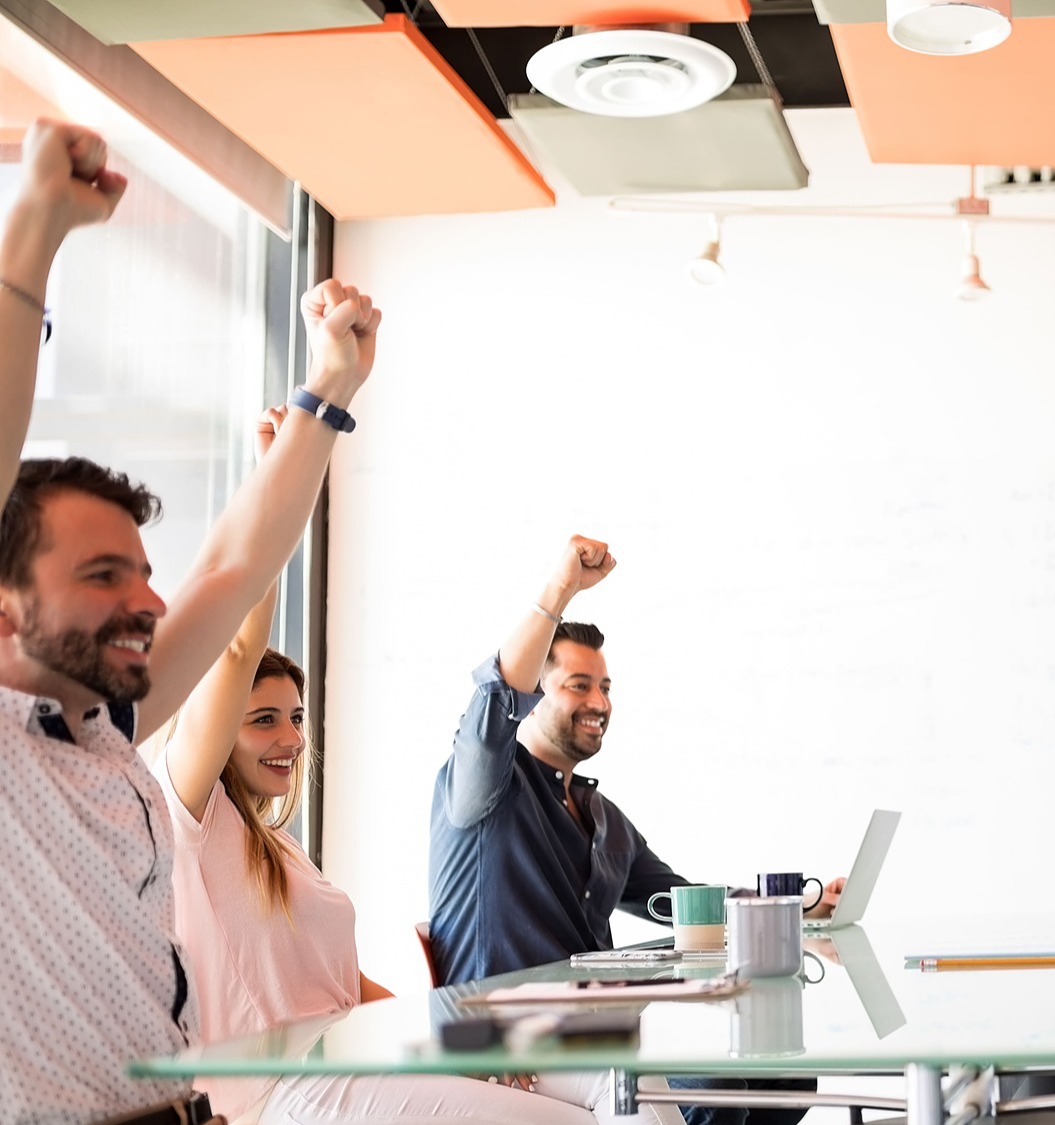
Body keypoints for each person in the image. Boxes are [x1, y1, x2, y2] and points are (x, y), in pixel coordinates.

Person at [0, 118, 378, 1125]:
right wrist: (34, 233)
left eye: (142, 572)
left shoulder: (104, 728)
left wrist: (328, 392)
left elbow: (233, 564)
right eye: (102, 574)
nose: (149, 600)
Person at [157, 420, 675, 1125]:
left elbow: (348, 995)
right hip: (287, 1092)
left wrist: (464, 1038)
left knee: (638, 1072)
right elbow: (241, 643)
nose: (289, 737)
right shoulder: (191, 818)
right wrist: (282, 476)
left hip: (360, 1049)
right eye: (262, 719)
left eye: (296, 717)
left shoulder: (279, 850)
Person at [429, 536, 846, 1125]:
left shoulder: (601, 817)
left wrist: (794, 907)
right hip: (502, 1037)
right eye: (579, 684)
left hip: (594, 1032)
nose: (599, 701)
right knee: (713, 1087)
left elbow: (685, 904)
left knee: (783, 1073)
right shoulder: (484, 786)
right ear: (535, 694)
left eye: (605, 687)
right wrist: (560, 589)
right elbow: (496, 697)